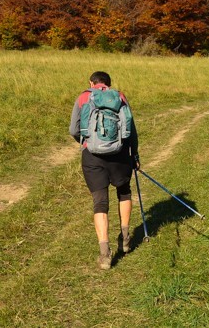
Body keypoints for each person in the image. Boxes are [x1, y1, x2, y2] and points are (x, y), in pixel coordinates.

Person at [69, 71, 140, 269]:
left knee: (100, 201)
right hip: (120, 154)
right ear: (109, 84)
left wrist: (87, 142)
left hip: (92, 156)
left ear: (91, 83)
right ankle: (125, 238)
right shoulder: (120, 96)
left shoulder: (84, 97)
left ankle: (105, 254)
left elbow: (73, 130)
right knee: (124, 192)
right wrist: (134, 154)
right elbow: (130, 129)